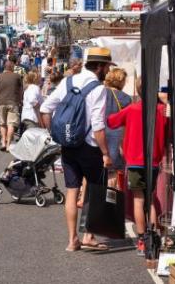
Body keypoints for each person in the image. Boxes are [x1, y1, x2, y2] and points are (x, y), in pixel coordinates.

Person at [40, 47, 114, 252]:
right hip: (90, 147)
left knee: (72, 191)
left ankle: (72, 240)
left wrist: (53, 133)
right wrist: (106, 153)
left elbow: (45, 108)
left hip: (68, 145)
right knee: (93, 191)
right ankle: (88, 236)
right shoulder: (98, 89)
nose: (108, 71)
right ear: (99, 66)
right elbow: (98, 127)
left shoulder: (68, 81)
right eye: (107, 66)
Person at [106, 77, 167, 256]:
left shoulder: (131, 109)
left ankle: (142, 240)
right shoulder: (162, 111)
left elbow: (111, 121)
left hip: (134, 161)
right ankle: (153, 238)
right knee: (151, 199)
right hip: (154, 160)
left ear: (138, 91)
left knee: (138, 200)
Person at [103, 68, 132, 188]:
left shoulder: (100, 92)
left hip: (97, 137)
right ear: (121, 81)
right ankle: (109, 202)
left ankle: (92, 200)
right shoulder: (125, 98)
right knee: (112, 174)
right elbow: (127, 123)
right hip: (115, 138)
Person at [0, 61, 23, 151]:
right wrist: (21, 100)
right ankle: (8, 144)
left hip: (1, 102)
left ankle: (3, 141)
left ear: (5, 67)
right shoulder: (17, 76)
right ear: (12, 67)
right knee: (11, 124)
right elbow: (21, 91)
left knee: (2, 123)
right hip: (13, 102)